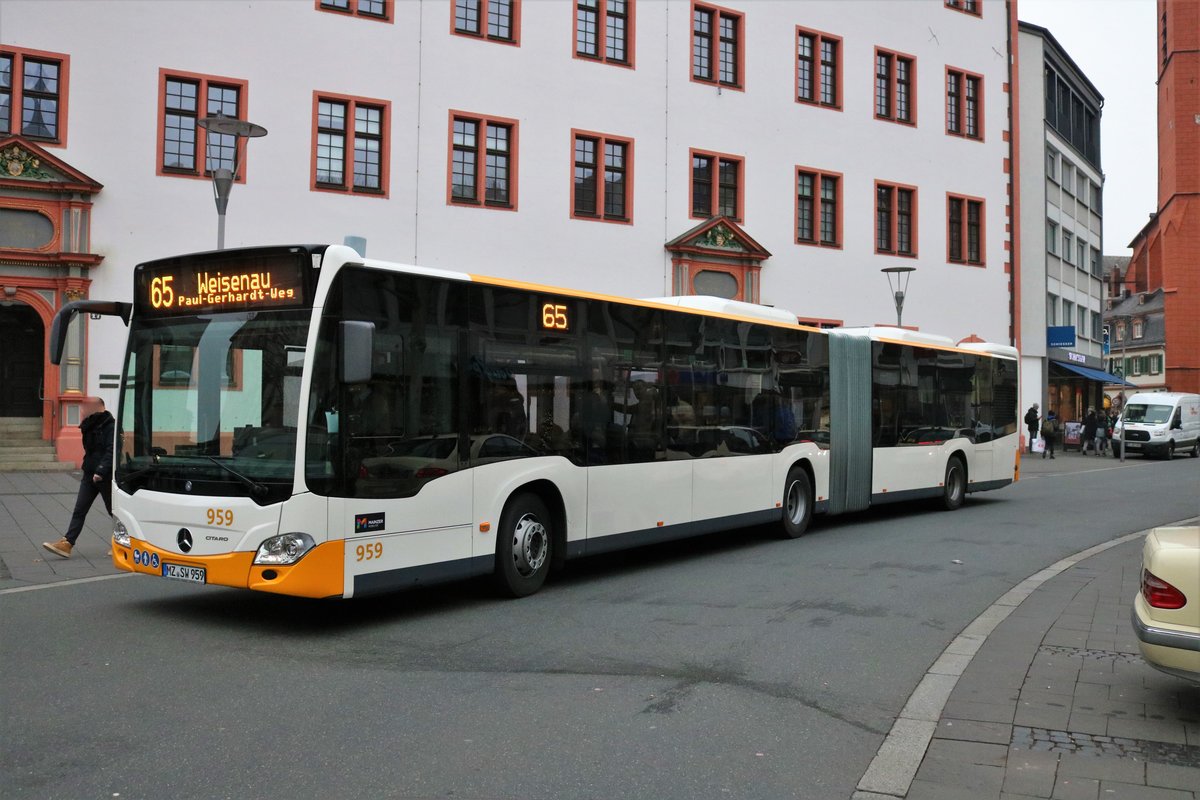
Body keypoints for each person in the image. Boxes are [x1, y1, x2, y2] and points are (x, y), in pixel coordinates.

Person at [43, 397, 115, 558]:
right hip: (89, 474)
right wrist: (90, 469)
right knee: (79, 510)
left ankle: (122, 543)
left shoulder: (112, 426)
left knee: (114, 511)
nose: (84, 410)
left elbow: (112, 450)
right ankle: (67, 544)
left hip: (105, 476)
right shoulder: (89, 425)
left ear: (100, 407)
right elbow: (89, 451)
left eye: (88, 407)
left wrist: (101, 470)